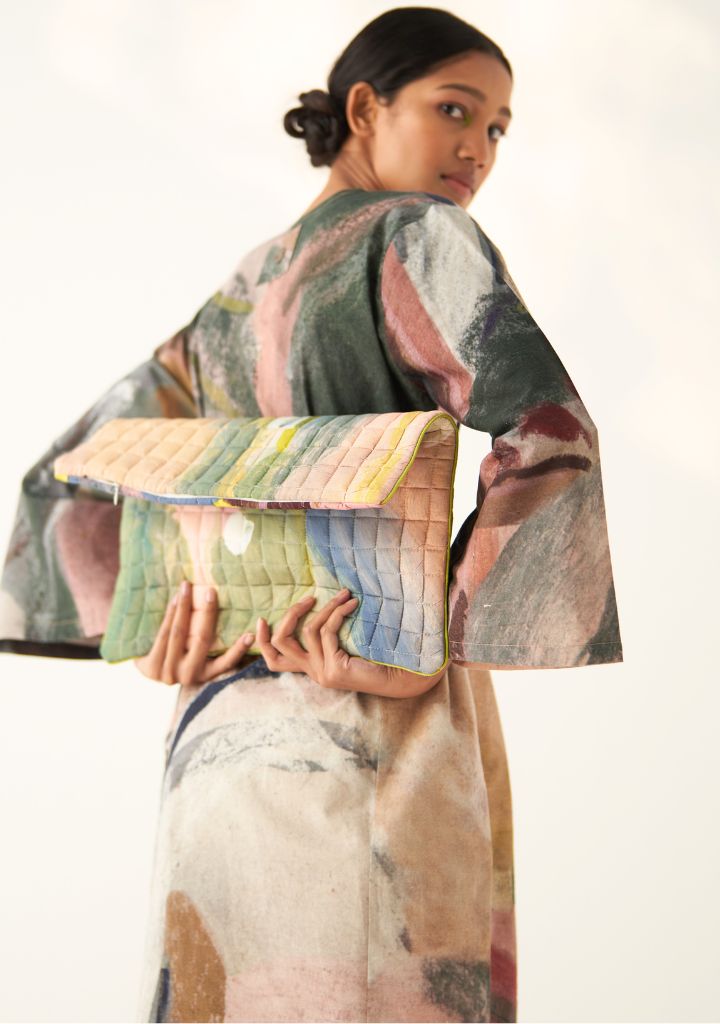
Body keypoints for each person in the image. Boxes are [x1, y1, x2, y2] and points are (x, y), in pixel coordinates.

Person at [0, 7, 623, 1022]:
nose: (478, 147)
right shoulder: (417, 237)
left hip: (219, 731)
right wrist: (433, 639)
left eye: (498, 127)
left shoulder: (241, 291)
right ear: (366, 108)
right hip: (374, 701)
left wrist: (154, 620)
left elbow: (76, 470)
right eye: (454, 109)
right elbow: (551, 433)